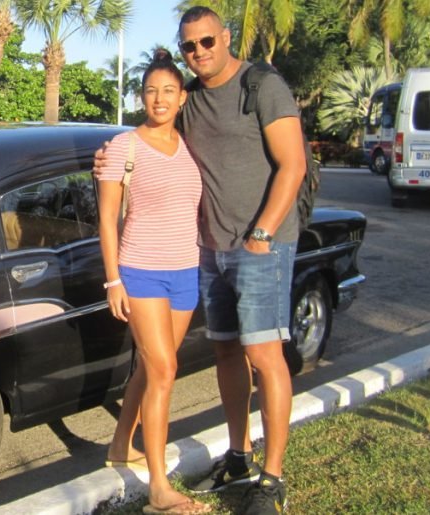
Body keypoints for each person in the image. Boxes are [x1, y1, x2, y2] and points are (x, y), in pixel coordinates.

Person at [96, 7, 306, 515]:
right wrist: (108, 154)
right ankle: (238, 454)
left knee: (264, 357)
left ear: (225, 37)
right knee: (226, 355)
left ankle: (271, 478)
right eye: (190, 46)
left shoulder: (263, 85)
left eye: (207, 41)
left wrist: (261, 233)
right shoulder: (188, 100)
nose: (199, 53)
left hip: (260, 244)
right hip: (209, 250)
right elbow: (148, 136)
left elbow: (293, 164)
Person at [97, 48, 210, 515]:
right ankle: (160, 489)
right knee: (163, 370)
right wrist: (112, 281)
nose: (159, 99)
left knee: (151, 368)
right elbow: (106, 220)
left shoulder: (190, 144)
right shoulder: (124, 146)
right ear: (141, 97)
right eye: (150, 91)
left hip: (186, 270)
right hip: (140, 270)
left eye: (168, 91)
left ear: (182, 97)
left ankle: (122, 444)